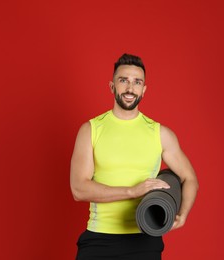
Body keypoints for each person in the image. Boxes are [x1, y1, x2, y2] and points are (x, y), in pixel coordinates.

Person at [70, 53, 199, 259]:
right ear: (112, 86)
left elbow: (190, 178)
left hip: (145, 239)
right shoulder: (91, 130)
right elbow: (79, 189)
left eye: (137, 82)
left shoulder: (160, 133)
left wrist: (182, 214)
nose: (130, 88)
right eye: (123, 81)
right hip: (99, 239)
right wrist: (132, 191)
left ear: (144, 90)